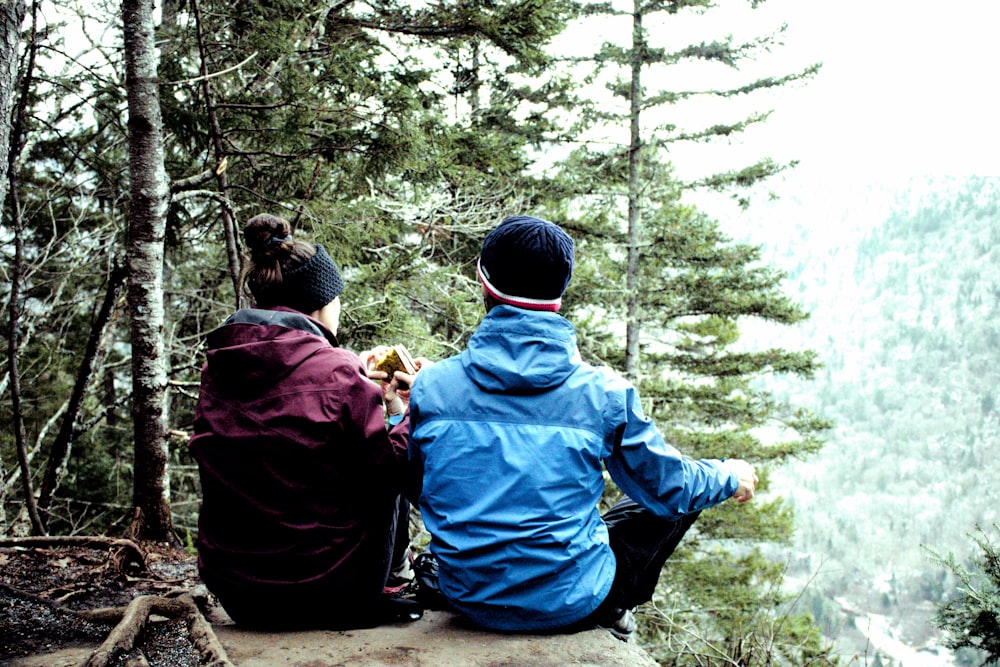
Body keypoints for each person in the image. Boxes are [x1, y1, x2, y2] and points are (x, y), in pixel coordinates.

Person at [407, 214, 758, 638]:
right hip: (569, 601)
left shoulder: (432, 386)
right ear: (560, 294)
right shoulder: (604, 393)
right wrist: (727, 474)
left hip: (467, 596)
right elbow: (672, 488)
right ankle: (611, 609)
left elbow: (417, 484)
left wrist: (407, 408)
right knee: (673, 492)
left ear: (483, 281)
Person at [187, 213, 421, 630]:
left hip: (239, 595)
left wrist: (354, 380)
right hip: (331, 591)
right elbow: (395, 469)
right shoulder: (338, 374)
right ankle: (393, 585)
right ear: (320, 301)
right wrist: (404, 408)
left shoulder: (220, 366)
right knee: (388, 466)